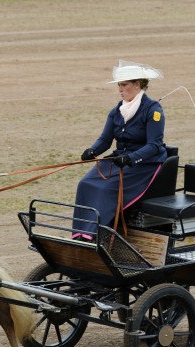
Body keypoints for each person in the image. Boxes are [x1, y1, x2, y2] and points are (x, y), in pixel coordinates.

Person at [72, 60, 167, 240]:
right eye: (119, 85)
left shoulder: (153, 110)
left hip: (145, 164)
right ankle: (81, 233)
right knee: (85, 183)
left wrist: (131, 158)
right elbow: (105, 140)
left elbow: (154, 145)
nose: (120, 89)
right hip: (120, 159)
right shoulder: (117, 111)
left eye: (124, 85)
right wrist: (92, 151)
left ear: (137, 85)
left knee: (106, 188)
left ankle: (96, 234)